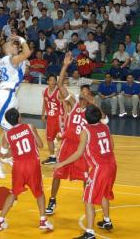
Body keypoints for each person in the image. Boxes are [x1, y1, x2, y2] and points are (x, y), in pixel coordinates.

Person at [54, 105, 117, 239]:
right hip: (112, 165)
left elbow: (78, 153)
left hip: (100, 168)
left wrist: (62, 163)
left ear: (85, 118)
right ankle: (107, 221)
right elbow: (112, 146)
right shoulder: (105, 127)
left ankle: (89, 233)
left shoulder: (86, 131)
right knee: (104, 194)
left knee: (88, 199)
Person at [46, 52, 94, 216]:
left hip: (81, 148)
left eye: (87, 92)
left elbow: (103, 123)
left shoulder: (92, 112)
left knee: (85, 177)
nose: (84, 94)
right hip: (67, 145)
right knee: (57, 174)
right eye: (83, 91)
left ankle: (87, 200)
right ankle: (52, 200)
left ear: (90, 96)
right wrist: (65, 66)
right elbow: (60, 85)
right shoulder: (73, 103)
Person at [0, 108, 54, 231]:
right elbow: (41, 145)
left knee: (13, 193)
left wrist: (0, 156)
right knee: (39, 193)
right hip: (32, 164)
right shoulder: (30, 127)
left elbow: (5, 153)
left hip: (18, 166)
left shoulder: (7, 135)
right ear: (19, 117)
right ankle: (43, 221)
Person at [0, 35, 31, 179]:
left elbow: (24, 61)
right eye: (14, 45)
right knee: (7, 132)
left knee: (12, 128)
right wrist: (21, 38)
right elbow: (27, 53)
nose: (16, 46)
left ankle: (5, 156)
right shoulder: (11, 59)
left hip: (10, 96)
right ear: (9, 49)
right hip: (7, 96)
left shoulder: (5, 61)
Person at [41, 75, 62, 165]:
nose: (52, 82)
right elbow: (44, 102)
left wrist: (65, 115)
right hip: (50, 118)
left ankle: (66, 154)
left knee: (64, 136)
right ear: (48, 81)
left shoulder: (59, 92)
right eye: (51, 80)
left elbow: (65, 104)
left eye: (54, 80)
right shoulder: (44, 91)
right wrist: (43, 113)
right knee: (49, 139)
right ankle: (52, 157)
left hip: (59, 118)